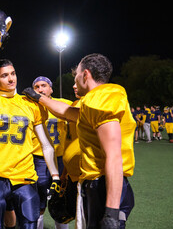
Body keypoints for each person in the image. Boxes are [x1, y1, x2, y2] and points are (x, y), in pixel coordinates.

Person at [23, 53, 135, 229]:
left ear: (85, 74)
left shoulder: (102, 98)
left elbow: (114, 155)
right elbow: (68, 112)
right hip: (95, 182)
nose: (74, 80)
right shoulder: (93, 100)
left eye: (77, 75)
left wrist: (111, 211)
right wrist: (40, 98)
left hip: (103, 184)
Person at [0, 55, 60, 229]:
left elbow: (45, 143)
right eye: (4, 75)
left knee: (29, 223)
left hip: (25, 175)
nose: (10, 78)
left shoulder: (29, 104)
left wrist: (55, 175)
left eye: (13, 73)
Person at [31, 76, 72, 229]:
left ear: (51, 89)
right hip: (37, 159)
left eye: (43, 85)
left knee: (61, 200)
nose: (40, 89)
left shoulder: (63, 104)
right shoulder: (29, 106)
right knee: (38, 201)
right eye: (36, 87)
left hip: (60, 159)